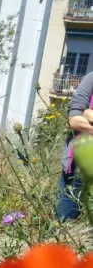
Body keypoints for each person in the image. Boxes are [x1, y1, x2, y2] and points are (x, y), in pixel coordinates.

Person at [56, 69, 93, 221]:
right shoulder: (91, 79)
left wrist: (89, 114)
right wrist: (84, 114)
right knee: (65, 220)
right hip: (79, 164)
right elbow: (73, 120)